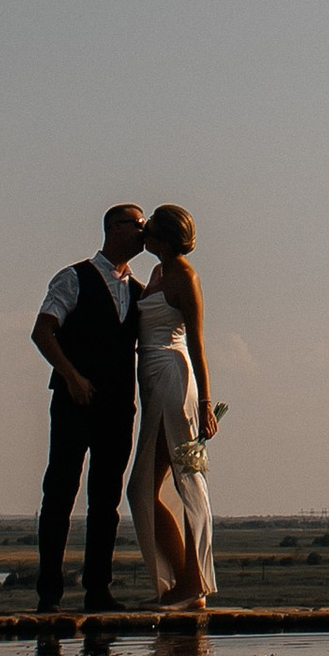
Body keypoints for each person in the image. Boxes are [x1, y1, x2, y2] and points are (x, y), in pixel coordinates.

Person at [31, 204, 148, 613]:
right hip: (73, 402)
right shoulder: (74, 278)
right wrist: (71, 376)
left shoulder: (139, 291)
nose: (143, 231)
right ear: (114, 229)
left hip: (118, 407)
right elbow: (43, 331)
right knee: (60, 493)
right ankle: (49, 592)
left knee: (105, 500)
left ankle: (98, 589)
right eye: (138, 225)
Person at [129, 203, 218, 608]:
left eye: (148, 231)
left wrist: (205, 402)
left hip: (172, 377)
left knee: (162, 483)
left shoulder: (184, 277)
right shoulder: (156, 273)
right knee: (150, 486)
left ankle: (190, 582)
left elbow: (197, 343)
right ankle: (186, 582)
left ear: (162, 238)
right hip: (150, 377)